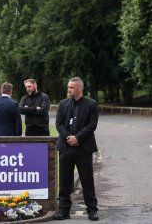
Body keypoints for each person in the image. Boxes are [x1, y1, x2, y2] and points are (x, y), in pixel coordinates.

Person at [54, 77, 99, 221]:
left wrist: (77, 138)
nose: (68, 89)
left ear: (80, 88)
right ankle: (63, 210)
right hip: (66, 148)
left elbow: (92, 125)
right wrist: (69, 137)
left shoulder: (91, 104)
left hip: (83, 148)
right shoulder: (63, 104)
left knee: (87, 180)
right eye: (68, 87)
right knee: (65, 181)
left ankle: (92, 210)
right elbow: (58, 124)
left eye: (72, 87)